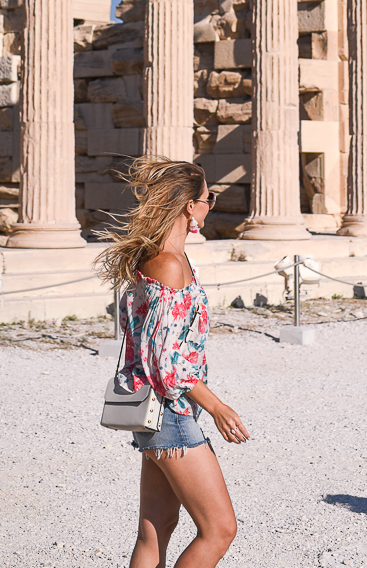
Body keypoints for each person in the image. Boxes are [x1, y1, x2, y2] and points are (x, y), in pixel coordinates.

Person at [94, 157, 250, 568]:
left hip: (157, 412)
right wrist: (217, 406)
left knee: (156, 526)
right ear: (189, 207)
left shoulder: (165, 260)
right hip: (171, 413)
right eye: (208, 198)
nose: (210, 205)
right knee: (220, 529)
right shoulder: (168, 264)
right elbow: (169, 364)